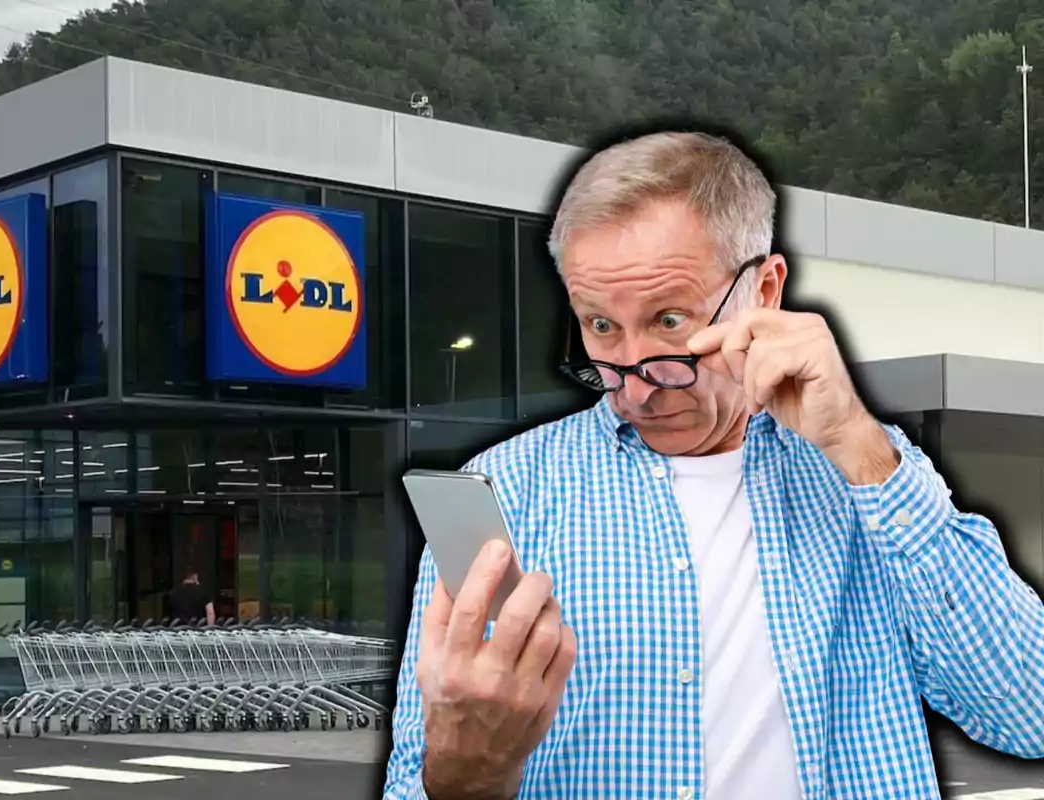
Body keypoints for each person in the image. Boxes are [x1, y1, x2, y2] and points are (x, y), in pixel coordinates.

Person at [383, 130, 1044, 800]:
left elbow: (1031, 713)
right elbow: (411, 786)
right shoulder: (506, 494)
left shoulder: (868, 484)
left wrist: (864, 449)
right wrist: (468, 770)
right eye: (601, 327)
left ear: (764, 290)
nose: (634, 387)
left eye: (670, 320)